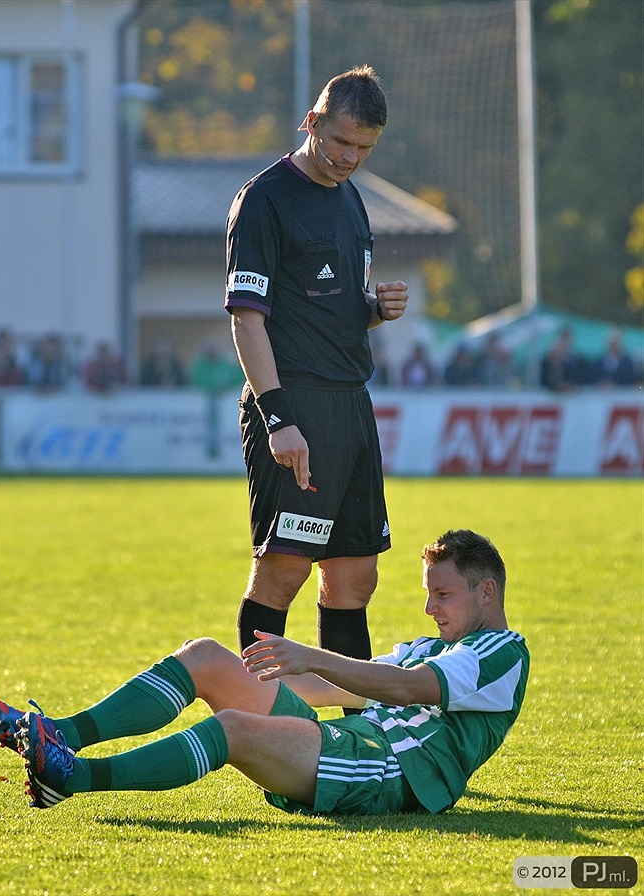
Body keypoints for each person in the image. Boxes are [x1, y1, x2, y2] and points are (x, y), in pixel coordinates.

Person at [0, 529, 529, 817]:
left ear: (488, 591)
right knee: (206, 656)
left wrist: (312, 655)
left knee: (234, 729)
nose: (432, 608)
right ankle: (59, 736)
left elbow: (409, 688)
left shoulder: (504, 651)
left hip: (391, 772)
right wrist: (274, 670)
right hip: (350, 742)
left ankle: (71, 778)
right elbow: (342, 683)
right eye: (429, 594)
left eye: (443, 594)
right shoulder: (429, 644)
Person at [225, 65, 409, 668]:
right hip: (294, 404)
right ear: (313, 123)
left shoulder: (351, 199)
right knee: (283, 571)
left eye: (364, 148)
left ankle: (355, 728)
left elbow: (335, 306)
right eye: (340, 142)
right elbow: (246, 318)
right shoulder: (264, 199)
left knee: (355, 577)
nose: (350, 157)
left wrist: (374, 310)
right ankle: (258, 716)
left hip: (351, 403)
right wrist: (279, 418)